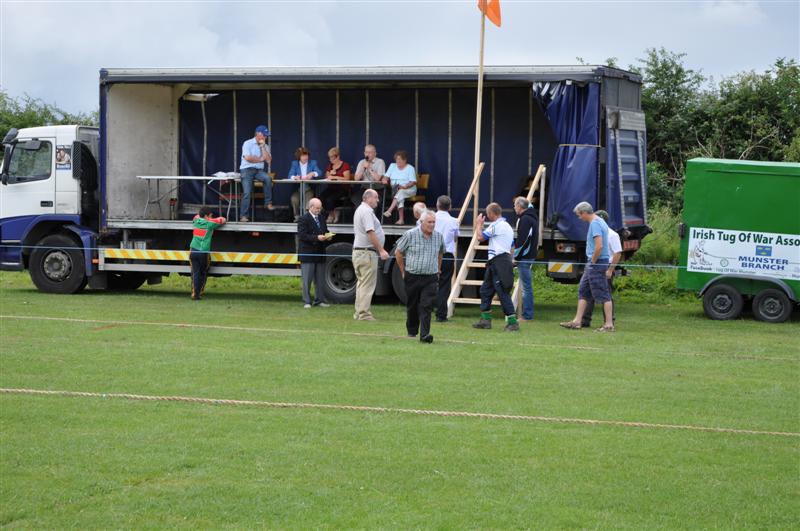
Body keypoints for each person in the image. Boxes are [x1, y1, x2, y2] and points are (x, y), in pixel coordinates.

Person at [560, 202, 615, 332]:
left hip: (596, 262)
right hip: (594, 262)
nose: (580, 218)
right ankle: (577, 321)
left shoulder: (595, 224)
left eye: (579, 215)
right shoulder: (600, 220)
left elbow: (599, 246)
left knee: (603, 293)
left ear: (584, 213)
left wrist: (593, 261)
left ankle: (608, 324)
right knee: (583, 291)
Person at [395, 210, 445, 343]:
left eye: (434, 222)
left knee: (426, 305)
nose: (432, 224)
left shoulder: (439, 237)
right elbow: (398, 252)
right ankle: (412, 330)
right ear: (421, 222)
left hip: (430, 277)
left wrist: (438, 269)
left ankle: (425, 334)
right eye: (429, 222)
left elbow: (440, 253)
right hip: (413, 276)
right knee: (412, 305)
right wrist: (403, 271)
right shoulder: (410, 234)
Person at [472, 202, 518, 331]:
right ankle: (485, 320)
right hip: (498, 261)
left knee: (502, 292)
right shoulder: (508, 226)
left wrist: (478, 224)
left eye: (488, 214)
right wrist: (511, 259)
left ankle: (513, 322)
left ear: (492, 214)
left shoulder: (497, 225)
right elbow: (512, 246)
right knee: (485, 291)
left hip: (499, 262)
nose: (487, 216)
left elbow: (480, 237)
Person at [352, 189, 390, 321]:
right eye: (376, 197)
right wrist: (381, 250)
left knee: (362, 284)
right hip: (367, 252)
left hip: (360, 252)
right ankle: (364, 314)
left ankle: (358, 312)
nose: (378, 200)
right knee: (367, 285)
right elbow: (370, 232)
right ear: (368, 198)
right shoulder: (367, 212)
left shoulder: (360, 210)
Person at [581, 209, 622, 328]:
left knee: (606, 294)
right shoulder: (596, 232)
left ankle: (609, 321)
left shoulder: (612, 235)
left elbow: (617, 253)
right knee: (588, 293)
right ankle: (584, 320)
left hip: (605, 266)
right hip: (594, 265)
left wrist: (610, 270)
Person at [297, 198, 333, 308]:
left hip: (320, 252)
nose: (319, 210)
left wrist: (328, 235)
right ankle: (307, 301)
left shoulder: (321, 218)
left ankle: (319, 300)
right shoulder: (303, 219)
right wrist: (317, 238)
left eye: (320, 208)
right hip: (308, 253)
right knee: (307, 279)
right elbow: (302, 236)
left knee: (320, 279)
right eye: (317, 208)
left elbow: (324, 230)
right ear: (311, 207)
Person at [189, 206, 226, 300]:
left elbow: (196, 216)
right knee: (202, 273)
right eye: (210, 215)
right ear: (206, 216)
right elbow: (222, 220)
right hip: (203, 252)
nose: (211, 217)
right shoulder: (210, 223)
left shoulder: (196, 221)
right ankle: (198, 294)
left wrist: (205, 216)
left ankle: (194, 293)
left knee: (195, 273)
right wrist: (212, 219)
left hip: (193, 250)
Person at [238, 125, 273, 222]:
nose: (265, 138)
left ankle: (267, 203)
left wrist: (263, 148)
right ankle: (243, 216)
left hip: (258, 171)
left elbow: (269, 161)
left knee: (267, 178)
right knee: (247, 192)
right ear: (258, 134)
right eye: (264, 135)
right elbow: (247, 158)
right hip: (246, 170)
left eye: (266, 136)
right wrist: (260, 159)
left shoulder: (266, 146)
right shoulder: (247, 143)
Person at [513, 197, 539, 321]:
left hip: (524, 257)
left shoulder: (525, 219)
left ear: (519, 206)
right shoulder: (532, 216)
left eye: (515, 205)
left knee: (526, 288)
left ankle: (527, 315)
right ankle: (527, 314)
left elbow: (522, 241)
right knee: (526, 287)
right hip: (530, 255)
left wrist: (516, 256)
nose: (514, 208)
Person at [434, 195, 459, 322]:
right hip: (447, 254)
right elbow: (455, 237)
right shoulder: (453, 221)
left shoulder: (431, 217)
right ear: (450, 207)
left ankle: (424, 310)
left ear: (437, 205)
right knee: (444, 285)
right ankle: (441, 315)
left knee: (427, 282)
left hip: (431, 253)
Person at [382, 150, 417, 225]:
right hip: (396, 189)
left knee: (400, 192)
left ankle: (389, 210)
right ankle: (401, 220)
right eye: (397, 160)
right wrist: (384, 180)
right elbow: (386, 177)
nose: (398, 162)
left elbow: (413, 182)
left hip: (409, 189)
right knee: (400, 196)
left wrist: (405, 186)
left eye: (400, 160)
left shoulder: (410, 168)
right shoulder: (392, 165)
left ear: (405, 160)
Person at [288, 147, 323, 220]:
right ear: (299, 157)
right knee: (294, 199)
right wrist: (295, 177)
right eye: (303, 156)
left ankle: (306, 219)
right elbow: (290, 175)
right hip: (299, 189)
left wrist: (313, 173)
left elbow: (319, 172)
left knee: (307, 202)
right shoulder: (294, 163)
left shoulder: (313, 162)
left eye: (306, 155)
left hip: (309, 188)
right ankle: (297, 216)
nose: (305, 157)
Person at [320, 147, 352, 224]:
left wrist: (335, 177)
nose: (331, 160)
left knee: (330, 199)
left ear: (338, 156)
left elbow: (347, 179)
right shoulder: (330, 166)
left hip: (343, 188)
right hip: (332, 187)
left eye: (332, 158)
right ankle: (332, 213)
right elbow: (327, 176)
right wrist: (330, 174)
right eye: (330, 158)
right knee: (321, 197)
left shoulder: (345, 165)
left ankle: (332, 214)